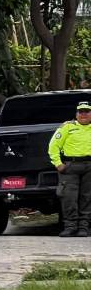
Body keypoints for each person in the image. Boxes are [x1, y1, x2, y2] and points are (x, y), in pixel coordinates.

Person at [48, 101, 91, 236]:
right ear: (76, 114)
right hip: (70, 166)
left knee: (87, 197)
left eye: (87, 111)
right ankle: (70, 226)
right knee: (69, 197)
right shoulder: (67, 127)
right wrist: (58, 163)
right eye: (81, 112)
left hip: (89, 167)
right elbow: (53, 146)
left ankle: (84, 228)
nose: (83, 114)